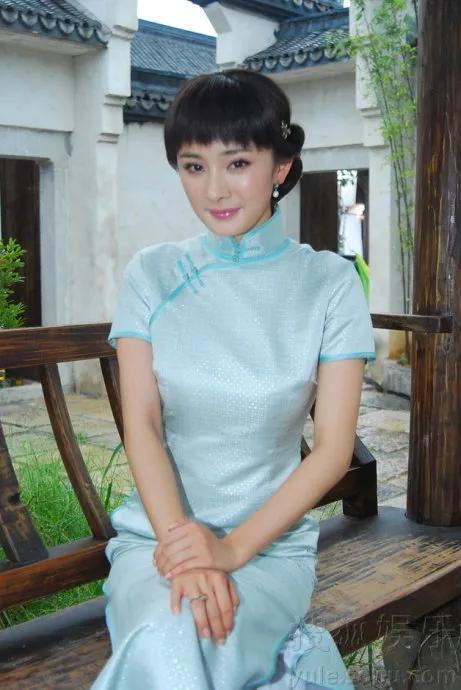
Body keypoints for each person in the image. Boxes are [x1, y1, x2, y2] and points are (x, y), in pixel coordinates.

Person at [90, 68, 375, 690]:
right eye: (194, 167)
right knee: (172, 633)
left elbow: (332, 451)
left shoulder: (329, 284)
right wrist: (187, 549)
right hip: (158, 540)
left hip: (268, 550)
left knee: (196, 642)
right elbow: (142, 424)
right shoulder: (152, 274)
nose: (214, 189)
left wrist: (230, 550)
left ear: (280, 166)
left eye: (238, 163)